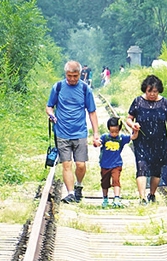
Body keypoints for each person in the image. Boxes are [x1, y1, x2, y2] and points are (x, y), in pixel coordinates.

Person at [46, 61, 101, 204]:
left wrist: (96, 133)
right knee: (66, 164)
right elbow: (49, 107)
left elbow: (92, 112)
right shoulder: (57, 87)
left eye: (75, 76)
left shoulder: (85, 89)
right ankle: (70, 193)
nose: (72, 79)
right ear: (65, 74)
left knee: (81, 165)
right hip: (62, 132)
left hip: (80, 132)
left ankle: (78, 185)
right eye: (69, 76)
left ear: (80, 74)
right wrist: (51, 115)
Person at [125, 74, 167, 205]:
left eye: (155, 91)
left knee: (156, 170)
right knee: (141, 166)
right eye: (150, 91)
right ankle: (142, 198)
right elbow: (129, 118)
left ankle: (152, 194)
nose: (152, 94)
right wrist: (133, 125)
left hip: (160, 142)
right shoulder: (138, 102)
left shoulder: (164, 103)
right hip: (142, 141)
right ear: (145, 90)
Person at [99, 117, 136, 208]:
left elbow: (133, 137)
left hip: (116, 164)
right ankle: (105, 198)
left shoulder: (121, 138)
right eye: (112, 132)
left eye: (116, 131)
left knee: (116, 180)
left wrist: (135, 129)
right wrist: (96, 142)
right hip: (105, 164)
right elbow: (98, 143)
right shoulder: (105, 137)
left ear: (119, 130)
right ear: (108, 129)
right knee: (105, 182)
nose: (114, 134)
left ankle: (116, 198)